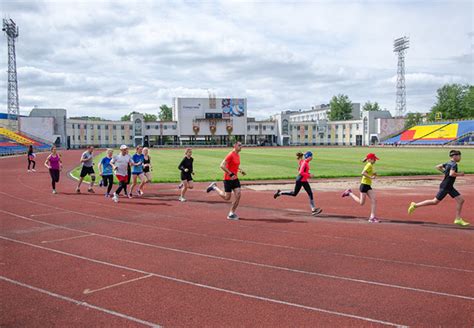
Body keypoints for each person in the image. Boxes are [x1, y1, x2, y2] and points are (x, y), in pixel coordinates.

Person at [408, 150, 469, 227]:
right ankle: (415, 205)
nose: (460, 157)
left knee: (461, 200)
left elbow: (438, 167)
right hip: (446, 186)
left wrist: (445, 172)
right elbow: (452, 174)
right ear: (454, 156)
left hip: (449, 186)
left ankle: (458, 219)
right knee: (435, 201)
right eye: (459, 156)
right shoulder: (454, 164)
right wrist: (460, 174)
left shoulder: (448, 163)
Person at [206, 141, 246, 220]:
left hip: (235, 179)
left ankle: (231, 213)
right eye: (239, 145)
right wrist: (230, 173)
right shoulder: (230, 155)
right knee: (227, 197)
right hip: (228, 179)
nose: (241, 146)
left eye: (241, 145)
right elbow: (222, 165)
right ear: (234, 145)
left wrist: (240, 170)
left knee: (238, 195)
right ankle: (214, 187)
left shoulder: (238, 155)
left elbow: (235, 166)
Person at [274, 151, 322, 216]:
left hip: (303, 180)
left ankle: (313, 210)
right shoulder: (304, 163)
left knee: (306, 193)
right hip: (300, 180)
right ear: (309, 157)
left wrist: (307, 174)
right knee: (296, 193)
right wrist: (309, 175)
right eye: (311, 156)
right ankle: (313, 210)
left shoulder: (304, 162)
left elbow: (300, 167)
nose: (312, 157)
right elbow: (300, 172)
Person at [341, 153, 379, 223]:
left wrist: (373, 174)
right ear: (370, 159)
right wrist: (371, 177)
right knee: (361, 203)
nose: (375, 161)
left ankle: (372, 217)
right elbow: (363, 173)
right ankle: (349, 193)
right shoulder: (369, 165)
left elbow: (367, 173)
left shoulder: (370, 165)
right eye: (374, 159)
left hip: (367, 185)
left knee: (374, 200)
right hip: (364, 185)